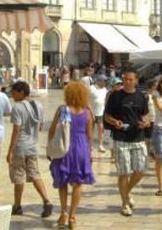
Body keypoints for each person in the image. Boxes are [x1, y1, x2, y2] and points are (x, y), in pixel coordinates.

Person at [48, 82, 95, 229]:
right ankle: (73, 217)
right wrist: (89, 152)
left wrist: (50, 149)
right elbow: (89, 135)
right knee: (78, 183)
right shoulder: (88, 112)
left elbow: (51, 131)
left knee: (62, 182)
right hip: (81, 147)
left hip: (64, 147)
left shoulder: (62, 110)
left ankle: (63, 213)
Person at [104, 68, 150, 217]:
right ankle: (124, 203)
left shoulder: (142, 96)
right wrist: (114, 121)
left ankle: (127, 192)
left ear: (136, 81)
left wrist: (146, 123)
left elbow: (146, 115)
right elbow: (106, 116)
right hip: (121, 138)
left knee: (140, 170)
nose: (128, 82)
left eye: (131, 79)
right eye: (125, 79)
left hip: (138, 137)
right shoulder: (115, 96)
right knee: (124, 173)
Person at [6, 81, 53, 217]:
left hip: (20, 147)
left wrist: (10, 151)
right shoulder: (38, 105)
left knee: (19, 176)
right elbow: (40, 126)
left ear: (21, 92)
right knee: (35, 174)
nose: (12, 95)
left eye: (13, 92)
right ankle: (47, 200)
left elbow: (16, 130)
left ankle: (17, 206)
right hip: (33, 146)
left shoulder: (18, 107)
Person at [90, 74, 108, 152]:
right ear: (99, 81)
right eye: (104, 81)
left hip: (101, 112)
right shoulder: (91, 88)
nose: (105, 83)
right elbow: (86, 100)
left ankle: (100, 145)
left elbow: (106, 100)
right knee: (91, 130)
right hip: (91, 112)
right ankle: (91, 146)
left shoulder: (105, 89)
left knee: (101, 129)